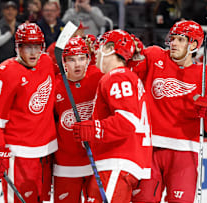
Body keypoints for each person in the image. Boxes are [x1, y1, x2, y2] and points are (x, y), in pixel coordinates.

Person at [130, 20, 207, 203]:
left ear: (193, 45)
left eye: (180, 40)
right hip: (149, 147)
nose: (173, 43)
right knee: (143, 200)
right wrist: (134, 56)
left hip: (185, 151)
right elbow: (131, 77)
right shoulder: (153, 56)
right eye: (172, 38)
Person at [72, 29, 152, 202]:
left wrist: (94, 129)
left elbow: (127, 121)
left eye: (101, 46)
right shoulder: (126, 77)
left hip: (117, 161)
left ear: (109, 48)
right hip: (121, 161)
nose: (97, 52)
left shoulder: (117, 77)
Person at [0, 23, 57, 203]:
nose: (33, 52)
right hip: (19, 154)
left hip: (47, 151)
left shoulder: (46, 61)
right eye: (27, 47)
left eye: (37, 47)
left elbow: (67, 68)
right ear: (18, 48)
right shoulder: (5, 72)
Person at [53, 36, 103, 202]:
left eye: (82, 58)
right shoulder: (56, 85)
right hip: (66, 162)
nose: (78, 64)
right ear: (64, 62)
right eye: (72, 60)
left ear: (89, 59)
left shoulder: (99, 76)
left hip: (96, 160)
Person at [0, 1, 21, 67]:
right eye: (8, 9)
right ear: (3, 11)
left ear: (16, 12)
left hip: (17, 63)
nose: (10, 12)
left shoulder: (20, 26)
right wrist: (9, 33)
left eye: (13, 10)